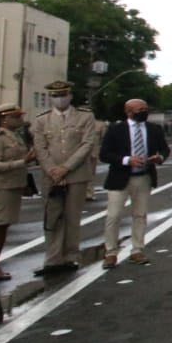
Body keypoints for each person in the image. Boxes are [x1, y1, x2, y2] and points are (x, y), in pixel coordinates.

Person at [29, 80, 98, 276]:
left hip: (76, 173)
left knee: (72, 217)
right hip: (50, 176)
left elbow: (87, 144)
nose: (60, 99)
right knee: (52, 217)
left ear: (70, 95)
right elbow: (40, 148)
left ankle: (70, 256)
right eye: (55, 96)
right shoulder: (42, 120)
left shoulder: (84, 117)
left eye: (63, 95)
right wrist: (52, 170)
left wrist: (66, 168)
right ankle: (52, 259)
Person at [99, 98, 171, 268]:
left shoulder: (154, 129)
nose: (144, 112)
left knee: (140, 215)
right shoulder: (116, 130)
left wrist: (159, 157)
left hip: (144, 176)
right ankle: (110, 252)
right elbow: (104, 154)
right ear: (129, 112)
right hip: (120, 177)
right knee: (114, 215)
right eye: (140, 109)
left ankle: (137, 249)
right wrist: (126, 160)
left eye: (146, 108)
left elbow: (164, 148)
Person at [0, 105, 36, 281]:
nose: (20, 119)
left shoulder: (15, 136)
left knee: (3, 227)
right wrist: (22, 162)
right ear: (3, 119)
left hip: (11, 186)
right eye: (16, 116)